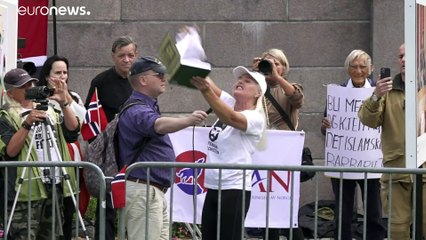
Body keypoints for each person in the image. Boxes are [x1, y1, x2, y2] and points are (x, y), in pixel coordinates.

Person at [117, 56, 207, 240]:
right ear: (143, 80)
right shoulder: (137, 109)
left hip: (151, 191)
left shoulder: (144, 106)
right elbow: (157, 125)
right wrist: (188, 120)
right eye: (158, 75)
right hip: (144, 190)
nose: (164, 78)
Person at [0, 68, 80, 239]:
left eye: (31, 84)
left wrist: (64, 102)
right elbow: (10, 152)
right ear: (11, 93)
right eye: (23, 86)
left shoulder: (50, 110)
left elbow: (73, 131)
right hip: (25, 188)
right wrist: (27, 123)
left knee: (53, 234)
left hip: (54, 182)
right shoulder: (6, 116)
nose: (29, 88)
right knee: (24, 235)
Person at [191, 66, 267, 240]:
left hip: (234, 188)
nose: (240, 81)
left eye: (248, 81)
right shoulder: (230, 102)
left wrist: (205, 91)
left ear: (258, 93)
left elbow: (230, 118)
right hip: (213, 186)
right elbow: (208, 82)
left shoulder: (255, 117)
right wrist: (190, 62)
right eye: (240, 79)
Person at [359, 44, 426, 239]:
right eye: (400, 56)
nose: (403, 60)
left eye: (408, 56)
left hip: (424, 170)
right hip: (398, 170)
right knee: (397, 229)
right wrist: (376, 95)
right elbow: (367, 120)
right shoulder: (387, 91)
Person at [321, 49, 385, 240]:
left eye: (363, 66)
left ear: (371, 68)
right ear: (347, 69)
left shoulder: (378, 90)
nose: (358, 70)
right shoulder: (338, 92)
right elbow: (325, 127)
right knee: (344, 209)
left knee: (373, 208)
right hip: (344, 160)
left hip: (370, 159)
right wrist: (326, 125)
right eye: (354, 66)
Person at [84, 36, 137, 240]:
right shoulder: (101, 81)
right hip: (110, 153)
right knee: (106, 206)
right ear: (113, 56)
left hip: (135, 151)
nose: (126, 60)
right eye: (121, 55)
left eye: (130, 55)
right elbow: (91, 119)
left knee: (134, 205)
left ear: (136, 56)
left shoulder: (141, 80)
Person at [251, 48, 305, 240]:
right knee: (265, 211)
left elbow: (297, 99)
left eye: (277, 63)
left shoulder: (288, 88)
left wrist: (275, 77)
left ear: (284, 68)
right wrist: (254, 76)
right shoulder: (255, 88)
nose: (273, 66)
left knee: (285, 209)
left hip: (284, 157)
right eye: (268, 62)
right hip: (260, 154)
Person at [38, 55, 88, 240]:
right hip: (46, 157)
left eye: (65, 72)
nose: (62, 77)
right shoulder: (40, 96)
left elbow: (81, 121)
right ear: (47, 76)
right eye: (57, 72)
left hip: (69, 156)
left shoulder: (73, 96)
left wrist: (66, 99)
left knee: (68, 209)